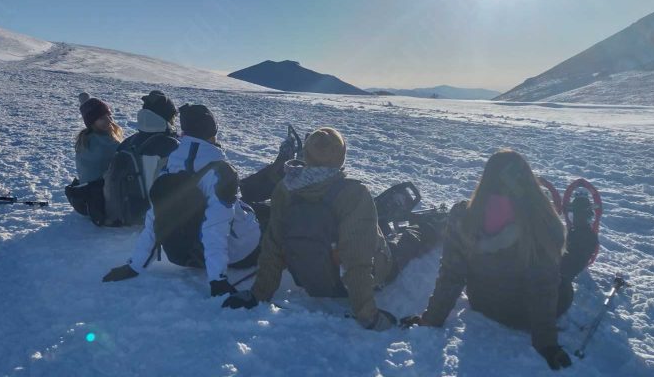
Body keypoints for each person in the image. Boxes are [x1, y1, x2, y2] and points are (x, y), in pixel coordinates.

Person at [221, 127, 441, 331]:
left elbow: (273, 244)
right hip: (344, 284)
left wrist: (259, 294)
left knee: (363, 227)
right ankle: (430, 227)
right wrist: (367, 314)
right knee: (407, 240)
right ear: (340, 157)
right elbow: (357, 258)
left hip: (309, 278)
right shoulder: (354, 193)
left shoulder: (285, 188)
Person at [400, 149, 598, 371]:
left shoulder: (463, 216)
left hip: (485, 303)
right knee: (568, 262)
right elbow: (544, 287)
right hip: (527, 314)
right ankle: (581, 224)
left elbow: (451, 274)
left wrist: (431, 319)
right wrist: (547, 345)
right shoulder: (541, 223)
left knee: (548, 259)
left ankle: (571, 228)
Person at [101, 104, 294, 296]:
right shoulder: (219, 171)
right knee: (277, 214)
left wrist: (135, 266)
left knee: (245, 198)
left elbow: (155, 218)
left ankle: (275, 171)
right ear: (212, 131)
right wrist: (218, 279)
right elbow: (215, 228)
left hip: (187, 253)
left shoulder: (171, 165)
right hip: (240, 253)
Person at [74, 93, 124, 183]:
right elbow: (123, 154)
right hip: (98, 193)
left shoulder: (87, 137)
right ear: (92, 122)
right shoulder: (95, 142)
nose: (109, 120)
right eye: (102, 118)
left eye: (109, 115)